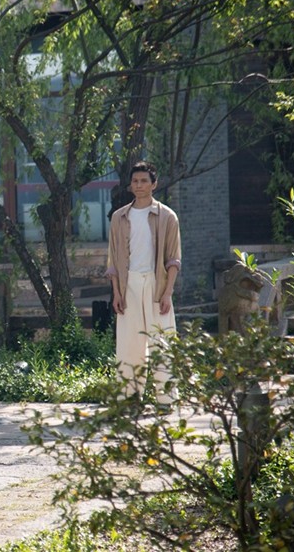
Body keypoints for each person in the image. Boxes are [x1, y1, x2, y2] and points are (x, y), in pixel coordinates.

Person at [106, 161, 181, 409]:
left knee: (162, 342)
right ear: (130, 185)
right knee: (129, 344)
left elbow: (173, 259)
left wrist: (168, 292)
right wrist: (116, 292)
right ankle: (129, 398)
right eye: (135, 181)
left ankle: (165, 400)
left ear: (154, 184)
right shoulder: (119, 217)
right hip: (129, 285)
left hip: (157, 285)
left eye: (144, 181)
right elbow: (114, 259)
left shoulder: (167, 217)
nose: (139, 186)